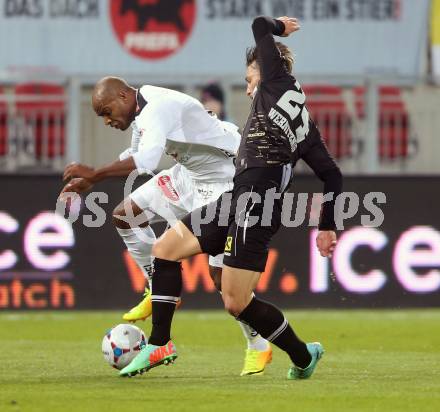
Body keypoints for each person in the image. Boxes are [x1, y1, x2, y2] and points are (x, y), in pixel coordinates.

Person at [120, 16, 342, 380]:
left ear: (266, 70)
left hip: (256, 210)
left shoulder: (276, 81)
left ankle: (303, 354)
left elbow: (258, 25)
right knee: (164, 251)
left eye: (249, 79)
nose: (248, 89)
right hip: (238, 199)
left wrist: (277, 28)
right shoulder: (304, 123)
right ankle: (160, 343)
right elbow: (332, 174)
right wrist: (328, 224)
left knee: (236, 302)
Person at [60, 77, 272, 376]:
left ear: (122, 96)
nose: (107, 120)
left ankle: (258, 345)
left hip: (223, 183)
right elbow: (134, 154)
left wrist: (95, 174)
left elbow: (145, 160)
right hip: (187, 174)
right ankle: (155, 286)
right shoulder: (141, 106)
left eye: (107, 111)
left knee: (221, 280)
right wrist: (90, 178)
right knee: (125, 215)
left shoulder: (154, 109)